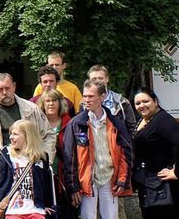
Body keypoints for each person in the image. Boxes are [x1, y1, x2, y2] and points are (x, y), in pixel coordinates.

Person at [0, 72, 56, 203]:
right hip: (0, 179)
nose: (5, 92)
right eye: (0, 90)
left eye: (7, 88)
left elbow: (49, 136)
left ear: (14, 86)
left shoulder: (31, 110)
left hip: (31, 179)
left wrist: (44, 158)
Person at [62, 79, 132, 219]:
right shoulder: (76, 123)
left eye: (91, 96)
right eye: (85, 96)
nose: (86, 100)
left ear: (102, 96)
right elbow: (69, 157)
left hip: (109, 178)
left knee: (111, 217)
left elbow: (126, 152)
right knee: (88, 217)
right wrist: (73, 187)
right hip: (87, 180)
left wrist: (122, 180)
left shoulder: (115, 122)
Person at [132, 87, 179, 218]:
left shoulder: (163, 120)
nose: (142, 106)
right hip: (149, 184)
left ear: (155, 101)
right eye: (138, 103)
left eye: (145, 101)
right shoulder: (143, 120)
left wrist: (176, 172)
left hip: (165, 188)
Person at [0, 120, 54, 219]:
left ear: (27, 136)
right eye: (11, 134)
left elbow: (46, 183)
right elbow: (2, 181)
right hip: (13, 210)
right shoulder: (7, 154)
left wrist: (46, 204)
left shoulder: (41, 157)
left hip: (35, 209)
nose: (11, 137)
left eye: (15, 134)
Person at [36, 90, 77, 219]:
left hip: (65, 174)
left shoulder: (70, 123)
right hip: (43, 175)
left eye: (54, 101)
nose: (51, 104)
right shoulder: (37, 124)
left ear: (60, 103)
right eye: (47, 101)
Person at [86, 65, 137, 136]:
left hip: (118, 144)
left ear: (107, 79)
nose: (97, 81)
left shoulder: (122, 102)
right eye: (94, 79)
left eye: (100, 78)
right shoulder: (84, 104)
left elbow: (132, 128)